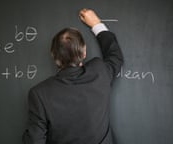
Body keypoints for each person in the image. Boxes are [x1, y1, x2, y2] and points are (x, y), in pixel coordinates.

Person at [23, 8, 123, 144]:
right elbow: (115, 56)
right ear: (84, 53)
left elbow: (35, 140)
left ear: (54, 56)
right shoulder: (100, 72)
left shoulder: (39, 94)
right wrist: (96, 24)